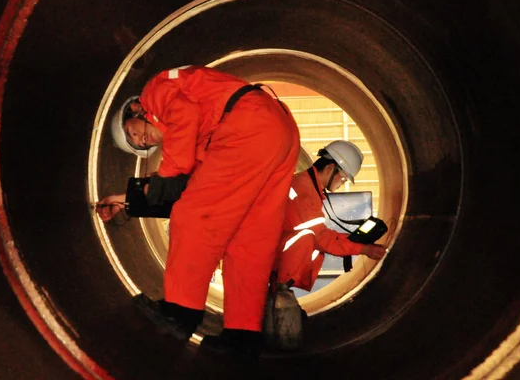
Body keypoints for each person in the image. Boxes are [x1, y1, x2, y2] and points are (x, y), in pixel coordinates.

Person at [96, 65, 300, 358]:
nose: (141, 141)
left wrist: (169, 175)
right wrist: (127, 200)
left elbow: (183, 120)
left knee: (192, 218)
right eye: (137, 145)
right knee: (248, 241)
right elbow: (194, 184)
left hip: (249, 124)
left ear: (136, 110)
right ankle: (243, 335)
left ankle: (180, 313)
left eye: (133, 132)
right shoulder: (199, 138)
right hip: (278, 132)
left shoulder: (154, 92)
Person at [274, 140, 386, 294]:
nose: (343, 183)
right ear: (330, 168)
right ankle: (280, 289)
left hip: (267, 251)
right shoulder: (305, 193)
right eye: (343, 178)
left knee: (311, 237)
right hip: (265, 258)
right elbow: (322, 238)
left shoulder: (305, 185)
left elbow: (322, 235)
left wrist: (355, 243)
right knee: (307, 237)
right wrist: (363, 248)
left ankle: (280, 289)